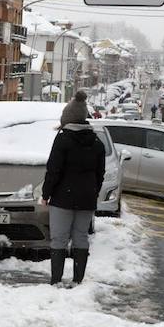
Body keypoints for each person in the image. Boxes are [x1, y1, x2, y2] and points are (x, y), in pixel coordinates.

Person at [42, 91, 106, 286]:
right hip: (86, 199)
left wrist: (46, 194)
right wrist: (92, 192)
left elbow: (53, 170)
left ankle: (56, 280)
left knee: (59, 238)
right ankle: (78, 279)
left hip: (62, 198)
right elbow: (100, 173)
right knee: (80, 237)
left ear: (67, 118)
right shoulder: (96, 142)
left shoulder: (63, 140)